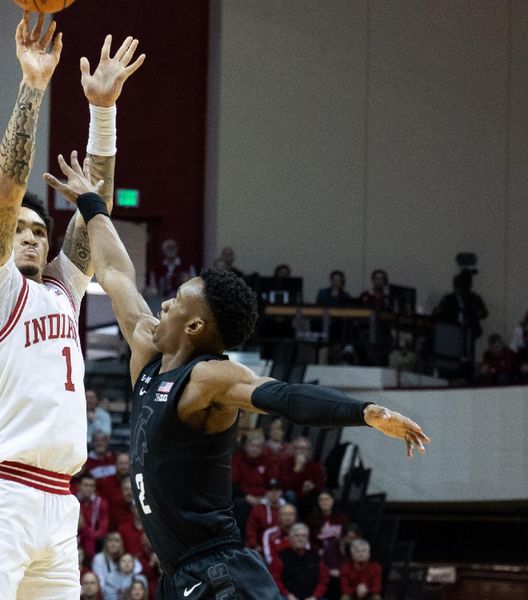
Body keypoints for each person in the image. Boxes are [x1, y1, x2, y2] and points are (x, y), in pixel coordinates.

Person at [44, 154, 429, 600]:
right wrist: (91, 203)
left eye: (176, 301)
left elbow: (283, 395)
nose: (164, 304)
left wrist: (364, 412)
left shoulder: (208, 378)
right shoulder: (148, 351)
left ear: (194, 328)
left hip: (219, 573)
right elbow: (114, 273)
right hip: (177, 577)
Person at [0, 17, 145, 600]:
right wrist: (34, 84)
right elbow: (4, 194)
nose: (32, 235)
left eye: (40, 229)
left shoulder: (62, 289)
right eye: (21, 230)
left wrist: (102, 111)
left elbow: (94, 211)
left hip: (58, 505)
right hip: (0, 498)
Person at [270, 523, 329, 600]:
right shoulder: (281, 556)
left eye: (303, 536)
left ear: (307, 539)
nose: (300, 539)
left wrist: (315, 596)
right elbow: (275, 579)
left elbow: (323, 581)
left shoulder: (316, 556)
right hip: (287, 598)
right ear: (290, 538)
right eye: (297, 536)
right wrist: (288, 595)